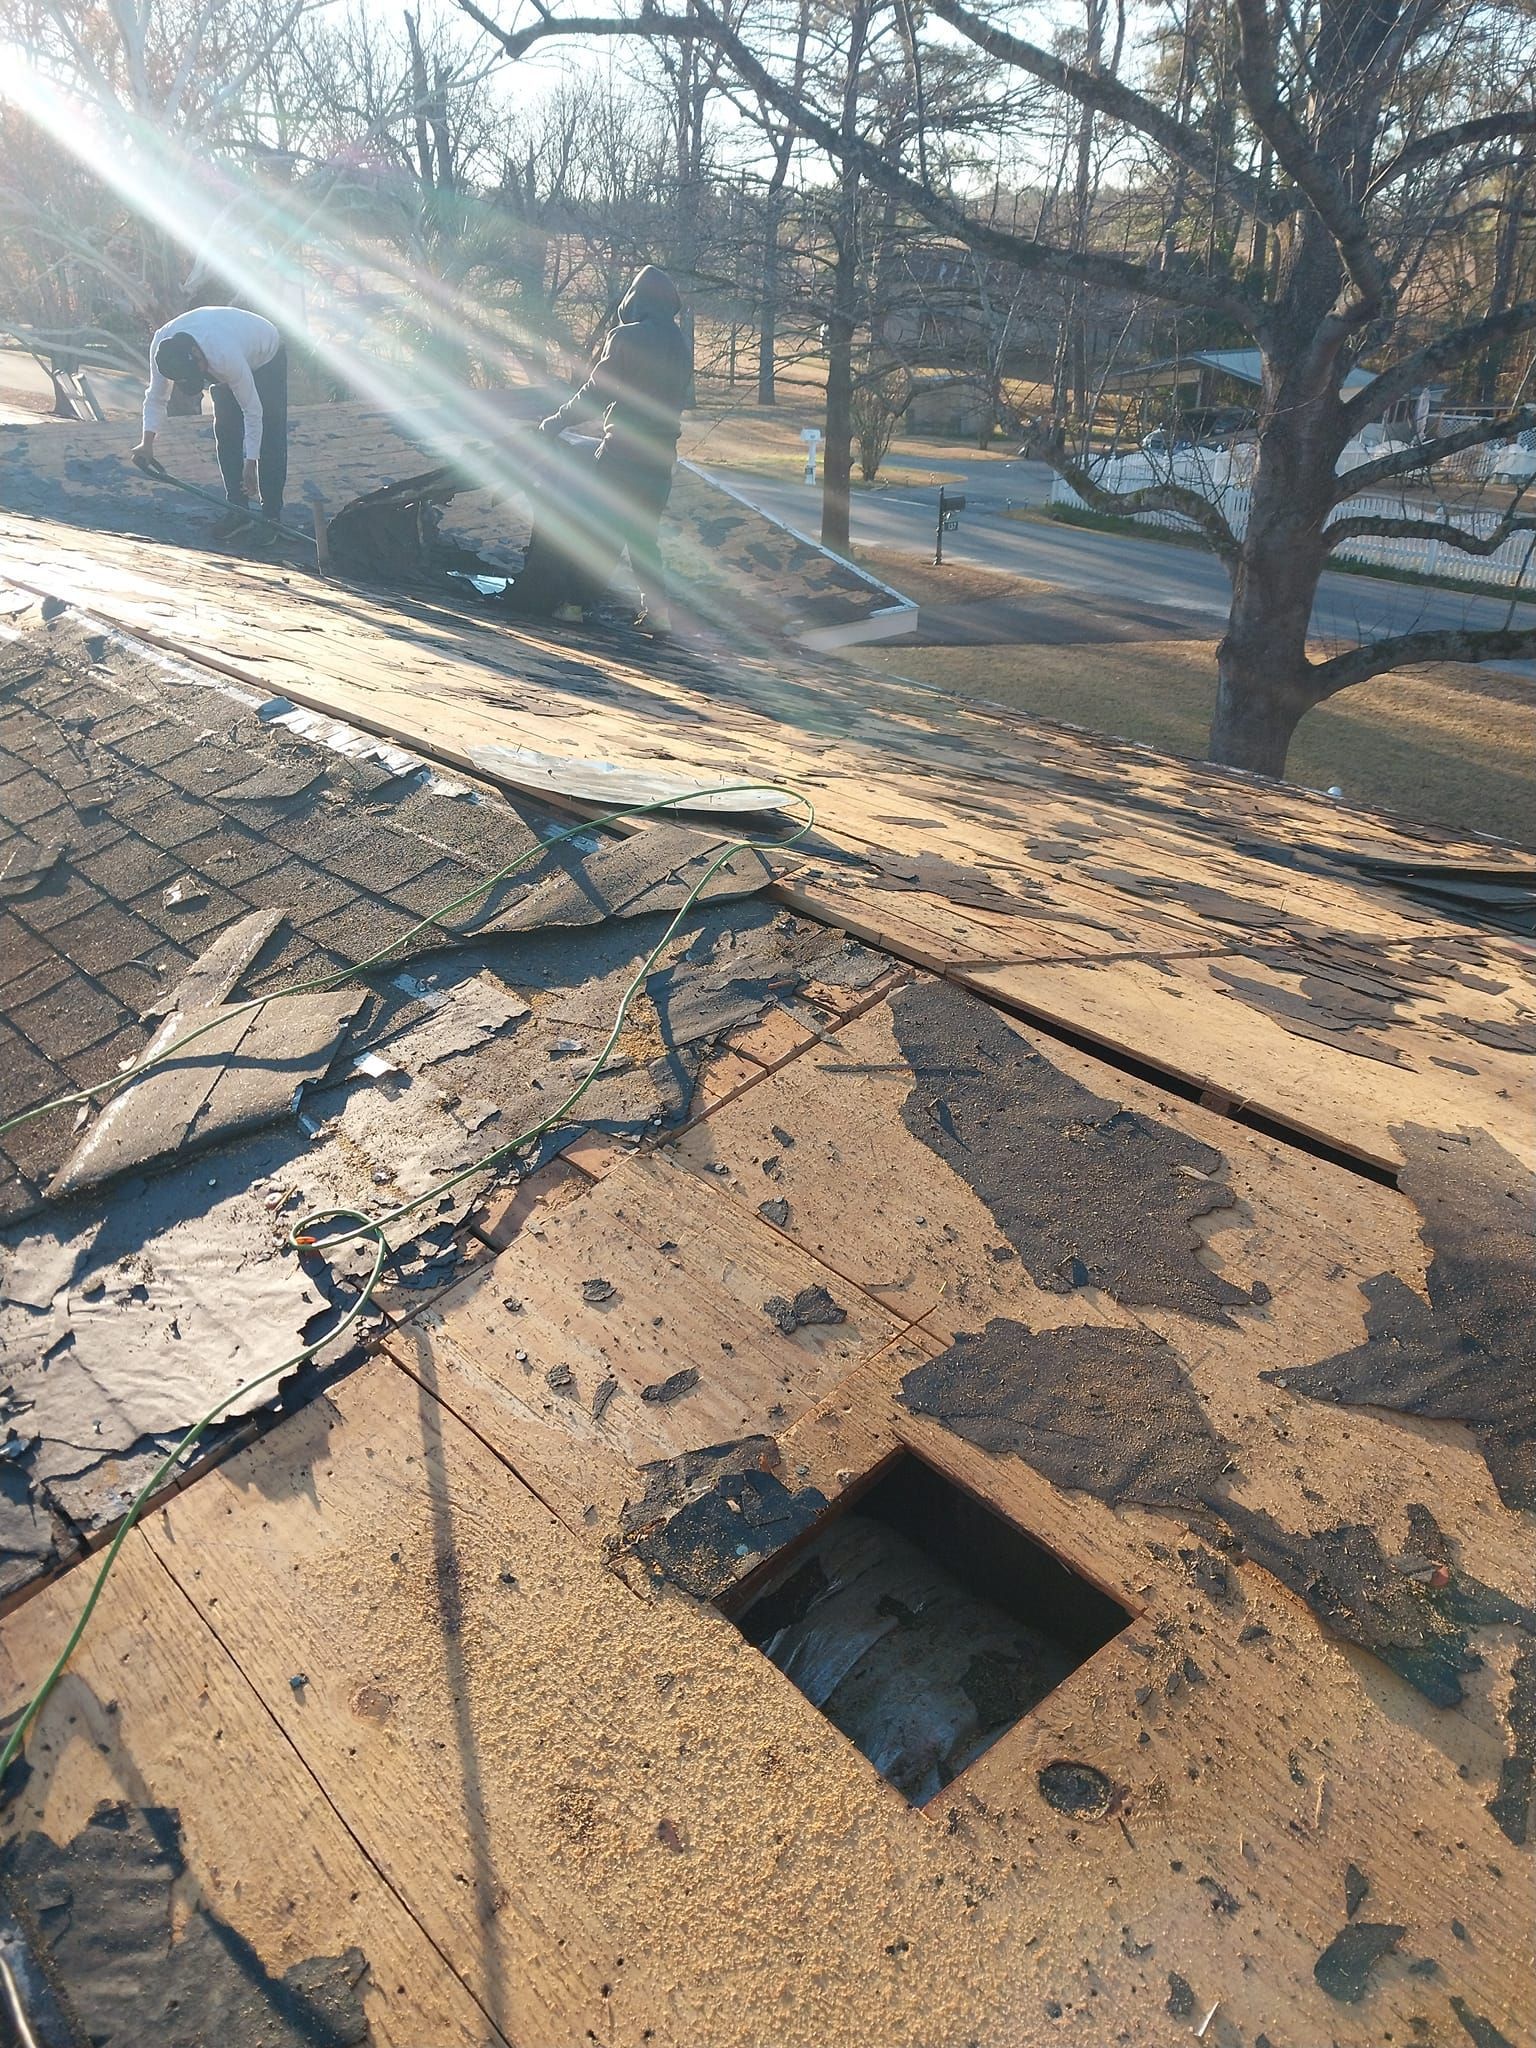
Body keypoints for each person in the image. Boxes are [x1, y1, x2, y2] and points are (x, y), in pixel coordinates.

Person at [537, 264, 691, 634]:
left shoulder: (626, 337)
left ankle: (573, 606)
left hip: (622, 454)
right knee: (643, 542)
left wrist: (555, 422)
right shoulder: (681, 346)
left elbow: (596, 391)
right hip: (660, 461)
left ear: (635, 300)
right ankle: (658, 614)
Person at [133, 307, 288, 542]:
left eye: (197, 374)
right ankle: (239, 510)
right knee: (225, 429)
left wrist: (251, 463)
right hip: (224, 352)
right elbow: (156, 397)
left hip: (265, 355)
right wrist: (147, 443)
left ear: (196, 354)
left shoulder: (224, 355)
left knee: (270, 432)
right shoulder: (162, 351)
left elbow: (253, 411)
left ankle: (271, 517)